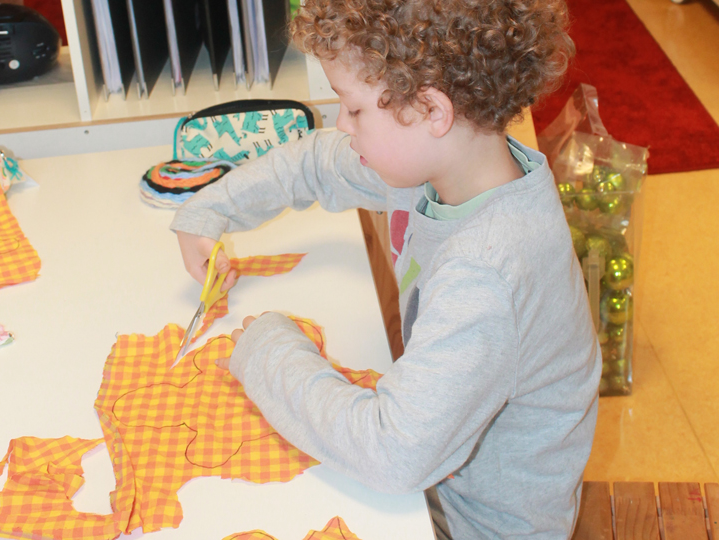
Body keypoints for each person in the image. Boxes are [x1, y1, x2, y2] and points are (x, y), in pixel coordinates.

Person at [171, 0, 601, 537]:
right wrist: (210, 210)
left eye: (353, 109)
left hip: (473, 524)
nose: (341, 124)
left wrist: (267, 353)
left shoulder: (487, 272)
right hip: (434, 479)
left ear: (432, 110)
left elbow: (394, 455)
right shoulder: (453, 164)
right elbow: (319, 162)